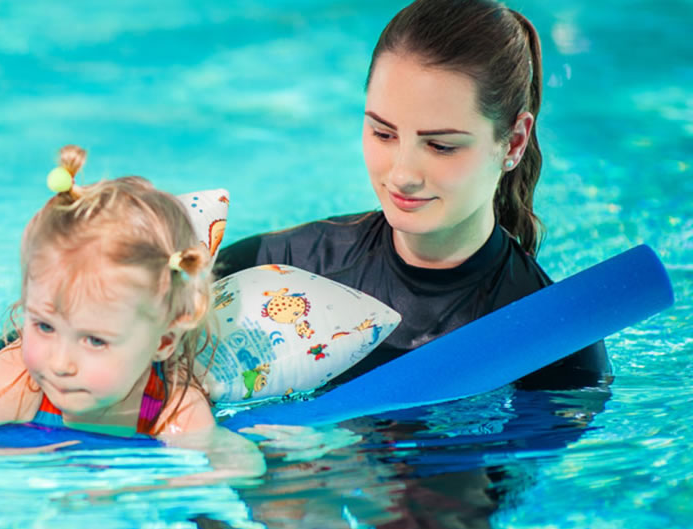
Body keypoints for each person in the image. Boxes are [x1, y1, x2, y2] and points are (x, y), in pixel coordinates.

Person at [215, 0, 610, 390]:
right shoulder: (274, 273)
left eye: (440, 146)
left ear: (513, 143)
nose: (402, 175)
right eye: (383, 134)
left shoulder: (555, 344)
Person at [0, 145, 262, 475]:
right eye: (44, 327)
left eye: (95, 340)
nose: (61, 362)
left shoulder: (166, 403)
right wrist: (0, 458)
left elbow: (240, 465)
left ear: (162, 340)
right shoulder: (17, 383)